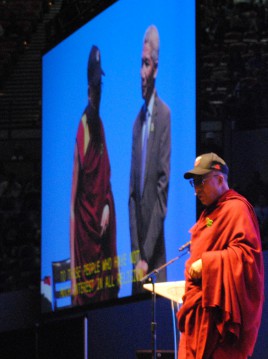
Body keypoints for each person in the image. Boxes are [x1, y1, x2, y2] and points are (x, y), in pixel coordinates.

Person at [176, 152, 264, 359]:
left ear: (220, 179)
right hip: (199, 312)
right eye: (194, 184)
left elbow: (246, 257)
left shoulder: (236, 209)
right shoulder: (210, 214)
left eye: (201, 182)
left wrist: (207, 264)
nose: (196, 190)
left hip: (217, 321)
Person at [70, 45, 119, 306]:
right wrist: (76, 279)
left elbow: (106, 181)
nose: (99, 92)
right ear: (89, 90)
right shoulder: (83, 129)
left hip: (100, 233)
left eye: (101, 85)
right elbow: (72, 203)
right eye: (95, 86)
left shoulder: (100, 126)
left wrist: (108, 207)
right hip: (85, 239)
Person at [129, 25, 171, 293]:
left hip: (154, 258)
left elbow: (161, 189)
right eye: (140, 64)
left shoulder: (164, 115)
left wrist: (145, 255)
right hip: (139, 263)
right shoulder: (136, 123)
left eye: (146, 65)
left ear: (155, 68)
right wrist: (136, 256)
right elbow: (132, 196)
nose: (141, 73)